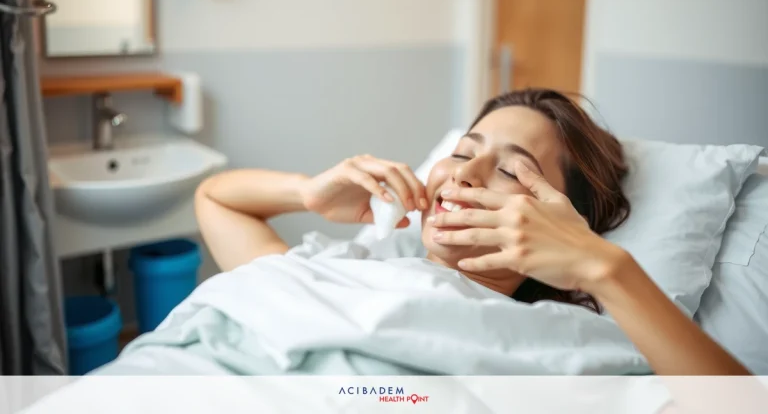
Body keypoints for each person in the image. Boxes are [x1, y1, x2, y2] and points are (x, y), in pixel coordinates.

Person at [195, 88, 750, 376]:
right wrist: (307, 193)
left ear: (562, 215)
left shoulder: (561, 341)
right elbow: (214, 198)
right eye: (462, 152)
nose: (461, 173)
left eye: (510, 169)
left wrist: (600, 265)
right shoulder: (346, 269)